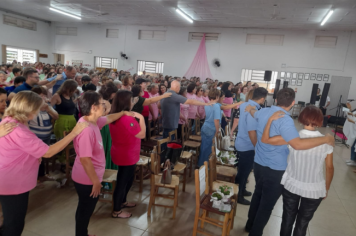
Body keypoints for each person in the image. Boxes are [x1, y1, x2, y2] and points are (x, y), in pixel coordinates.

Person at [244, 88, 335, 236]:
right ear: (293, 103)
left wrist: (249, 109)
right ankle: (254, 233)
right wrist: (325, 139)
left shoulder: (264, 112)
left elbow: (255, 114)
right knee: (266, 206)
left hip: (259, 163)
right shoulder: (285, 120)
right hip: (275, 169)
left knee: (257, 195)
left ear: (275, 100)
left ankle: (249, 225)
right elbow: (298, 144)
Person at [0, 91, 88, 236]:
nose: (40, 111)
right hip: (14, 182)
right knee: (14, 224)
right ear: (28, 109)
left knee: (9, 219)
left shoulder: (11, 119)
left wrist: (34, 154)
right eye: (37, 108)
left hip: (10, 177)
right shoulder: (17, 129)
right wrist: (74, 133)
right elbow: (48, 152)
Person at [262, 106, 334, 236]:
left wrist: (270, 120)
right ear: (319, 120)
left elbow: (266, 140)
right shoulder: (326, 141)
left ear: (301, 119)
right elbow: (329, 168)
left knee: (287, 219)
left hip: (292, 183)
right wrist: (326, 188)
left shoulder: (293, 137)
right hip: (314, 188)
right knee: (302, 224)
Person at [71, 91, 134, 235]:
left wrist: (124, 113)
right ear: (94, 107)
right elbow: (85, 159)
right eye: (102, 103)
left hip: (89, 177)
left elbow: (110, 118)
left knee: (84, 209)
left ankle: (82, 233)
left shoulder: (93, 121)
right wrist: (96, 182)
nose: (105, 104)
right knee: (85, 210)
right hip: (87, 179)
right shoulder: (86, 129)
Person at [109, 90, 146, 218]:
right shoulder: (127, 118)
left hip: (124, 152)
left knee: (128, 179)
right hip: (126, 154)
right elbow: (142, 134)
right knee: (122, 181)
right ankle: (116, 210)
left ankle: (122, 201)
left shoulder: (114, 115)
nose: (133, 103)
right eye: (131, 100)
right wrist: (140, 118)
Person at [234, 88, 268, 205]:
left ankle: (242, 190)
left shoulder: (245, 105)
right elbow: (252, 132)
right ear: (262, 99)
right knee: (244, 171)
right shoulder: (252, 109)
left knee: (245, 170)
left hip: (241, 142)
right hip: (247, 145)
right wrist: (257, 147)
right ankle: (238, 195)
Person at [197, 89, 244, 167]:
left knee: (204, 147)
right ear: (217, 96)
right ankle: (205, 166)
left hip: (205, 127)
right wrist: (217, 130)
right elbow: (216, 120)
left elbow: (225, 107)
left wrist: (236, 104)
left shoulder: (208, 104)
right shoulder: (216, 106)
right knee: (209, 149)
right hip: (212, 128)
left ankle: (201, 164)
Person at [29, 87, 59, 183]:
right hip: (35, 137)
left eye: (44, 95)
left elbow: (56, 116)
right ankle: (34, 179)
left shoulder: (47, 106)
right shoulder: (30, 106)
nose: (43, 97)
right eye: (40, 95)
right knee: (34, 158)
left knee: (42, 157)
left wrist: (48, 109)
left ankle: (41, 176)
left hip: (46, 136)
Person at [98, 82, 118, 170]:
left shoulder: (98, 99)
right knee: (106, 148)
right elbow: (102, 115)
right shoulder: (105, 102)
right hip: (104, 126)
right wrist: (110, 109)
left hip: (101, 126)